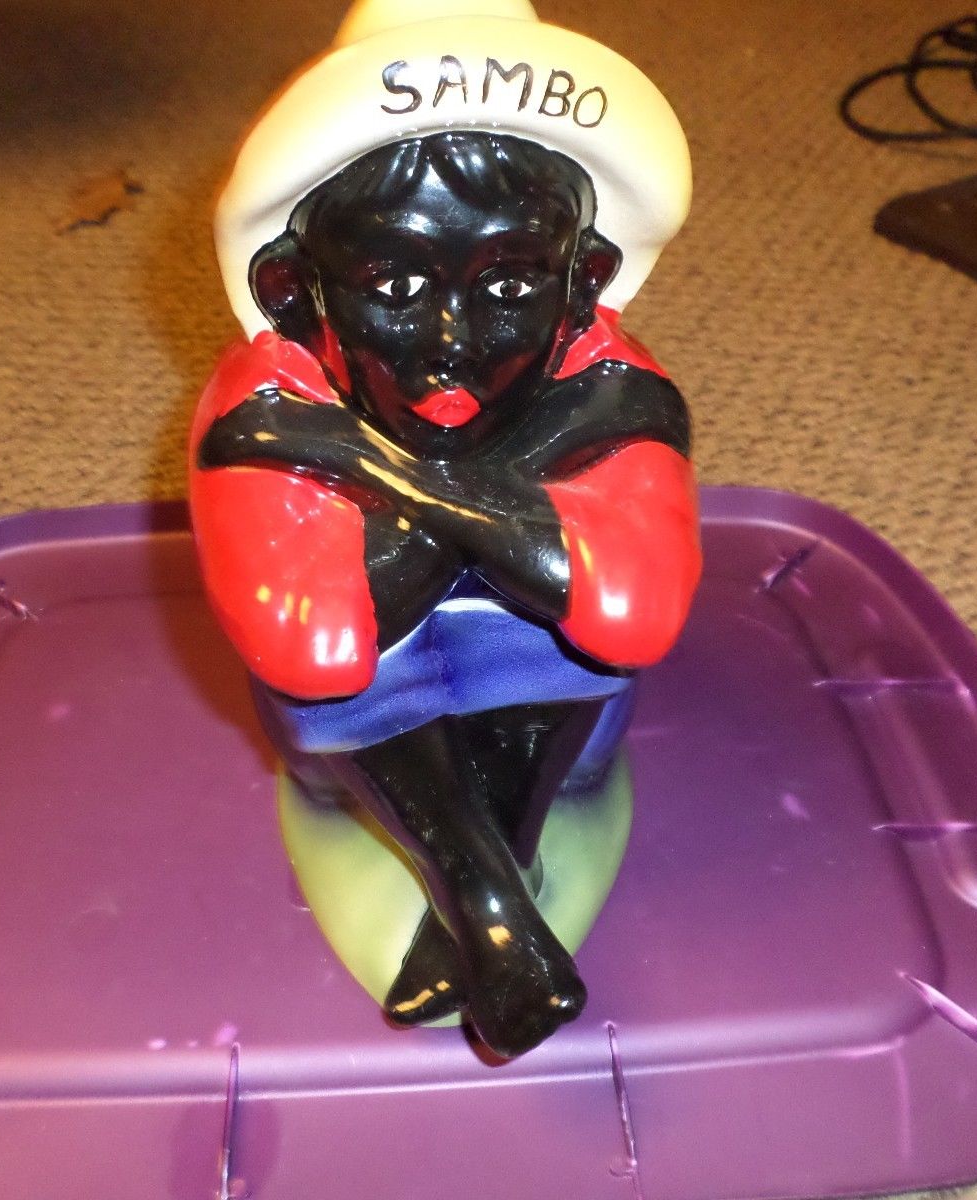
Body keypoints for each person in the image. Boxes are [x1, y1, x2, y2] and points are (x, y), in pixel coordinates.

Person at [191, 0, 698, 1059]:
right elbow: (315, 646)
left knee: (566, 660)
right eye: (393, 285)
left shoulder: (617, 387)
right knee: (352, 685)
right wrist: (513, 520)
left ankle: (477, 896)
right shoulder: (261, 402)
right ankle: (494, 899)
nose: (450, 345)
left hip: (554, 717)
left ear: (584, 282)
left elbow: (630, 613)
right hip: (362, 737)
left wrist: (387, 474)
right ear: (292, 291)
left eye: (509, 284)